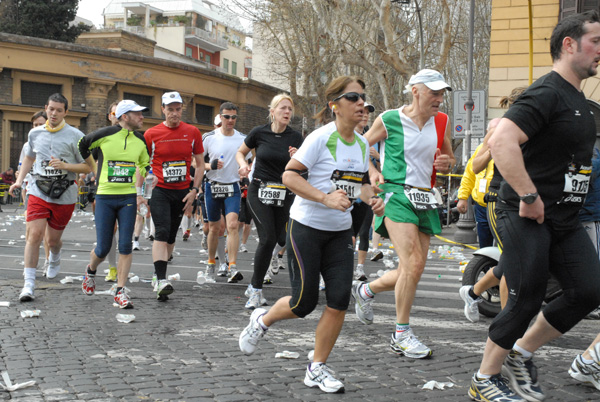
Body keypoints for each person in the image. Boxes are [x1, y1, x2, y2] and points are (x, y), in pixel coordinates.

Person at [467, 11, 600, 402]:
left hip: (564, 218)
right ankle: (484, 379)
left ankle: (521, 354)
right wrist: (528, 196)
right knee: (525, 295)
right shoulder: (547, 91)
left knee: (589, 290)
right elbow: (503, 140)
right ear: (569, 44)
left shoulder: (577, 97)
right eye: (595, 41)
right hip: (526, 213)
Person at [239, 76, 384, 393]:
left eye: (363, 98)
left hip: (339, 233)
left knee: (339, 300)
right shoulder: (321, 138)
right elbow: (289, 175)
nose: (361, 103)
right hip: (306, 228)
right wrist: (324, 198)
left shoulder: (361, 144)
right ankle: (262, 320)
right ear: (335, 105)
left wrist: (371, 197)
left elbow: (356, 183)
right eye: (353, 97)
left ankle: (316, 367)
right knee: (303, 303)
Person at [352, 69, 455, 359]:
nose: (439, 98)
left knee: (416, 267)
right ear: (415, 91)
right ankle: (401, 333)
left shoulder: (443, 121)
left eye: (442, 93)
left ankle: (366, 291)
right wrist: (373, 172)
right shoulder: (389, 119)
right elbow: (362, 146)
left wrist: (447, 163)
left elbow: (447, 158)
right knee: (412, 262)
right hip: (395, 193)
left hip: (425, 196)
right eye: (433, 92)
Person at [9, 93, 91, 301]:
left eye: (58, 110)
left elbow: (89, 167)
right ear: (46, 108)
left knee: (52, 240)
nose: (53, 113)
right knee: (34, 236)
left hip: (64, 194)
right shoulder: (35, 134)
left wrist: (65, 166)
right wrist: (19, 182)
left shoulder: (76, 136)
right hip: (38, 190)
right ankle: (29, 285)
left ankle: (54, 256)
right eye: (51, 109)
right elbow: (29, 157)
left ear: (66, 112)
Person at [459, 88, 526, 323]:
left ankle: (473, 292)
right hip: (498, 200)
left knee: (520, 258)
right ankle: (509, 321)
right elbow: (474, 166)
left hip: (526, 201)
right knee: (513, 258)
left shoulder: (536, 129)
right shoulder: (501, 130)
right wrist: (492, 148)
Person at [79, 100, 150, 308]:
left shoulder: (140, 139)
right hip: (105, 197)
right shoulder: (105, 134)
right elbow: (81, 145)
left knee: (126, 245)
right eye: (138, 114)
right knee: (103, 247)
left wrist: (145, 173)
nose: (142, 117)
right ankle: (90, 271)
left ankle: (120, 290)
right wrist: (94, 168)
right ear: (125, 116)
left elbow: (145, 163)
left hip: (127, 197)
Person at [236, 94, 303, 309]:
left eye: (290, 109)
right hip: (259, 189)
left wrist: (297, 156)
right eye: (283, 108)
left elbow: (305, 165)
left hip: (285, 193)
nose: (287, 112)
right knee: (267, 238)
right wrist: (243, 165)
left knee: (283, 239)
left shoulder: (295, 137)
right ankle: (255, 290)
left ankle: (260, 279)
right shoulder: (259, 132)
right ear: (272, 111)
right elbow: (240, 152)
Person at [142, 91, 204, 301]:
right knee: (161, 231)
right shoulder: (151, 134)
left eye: (178, 109)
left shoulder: (192, 132)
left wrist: (194, 190)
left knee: (171, 237)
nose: (174, 114)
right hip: (159, 190)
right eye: (170, 109)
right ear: (163, 110)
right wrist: (144, 193)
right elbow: (142, 164)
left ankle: (158, 274)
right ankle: (161, 280)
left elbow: (201, 164)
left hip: (182, 191)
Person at [202, 102, 247, 282]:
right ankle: (211, 262)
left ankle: (232, 266)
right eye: (227, 117)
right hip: (212, 185)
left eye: (234, 117)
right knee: (214, 228)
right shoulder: (209, 137)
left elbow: (248, 160)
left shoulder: (243, 139)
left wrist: (245, 169)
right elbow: (194, 162)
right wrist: (209, 165)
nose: (230, 120)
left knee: (233, 225)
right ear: (220, 117)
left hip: (232, 187)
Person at [351, 102, 376, 281]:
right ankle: (333, 269)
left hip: (366, 193)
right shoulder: (344, 137)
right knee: (347, 235)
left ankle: (359, 267)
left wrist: (377, 157)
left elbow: (382, 166)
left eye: (367, 113)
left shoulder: (372, 140)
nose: (365, 115)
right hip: (346, 193)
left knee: (364, 230)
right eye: (362, 111)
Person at [456, 142, 494, 248]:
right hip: (481, 205)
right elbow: (469, 173)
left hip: (500, 205)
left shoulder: (510, 145)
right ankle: (486, 264)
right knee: (485, 243)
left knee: (504, 243)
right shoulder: (482, 148)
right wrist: (463, 197)